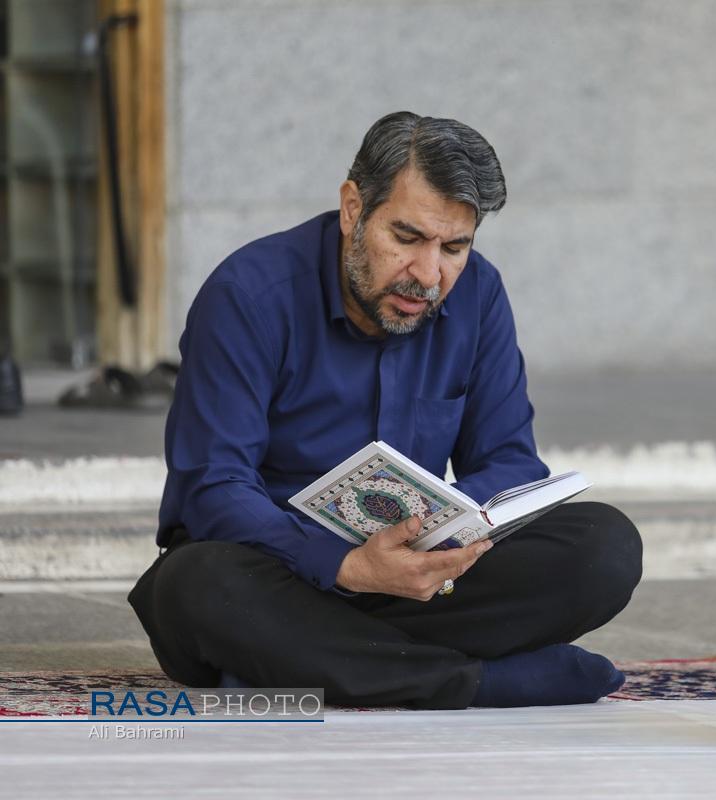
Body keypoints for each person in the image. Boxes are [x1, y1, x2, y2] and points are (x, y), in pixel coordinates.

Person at [128, 112, 643, 710]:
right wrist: (346, 564)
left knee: (603, 547)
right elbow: (213, 487)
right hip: (277, 573)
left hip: (419, 579)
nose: (428, 275)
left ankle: (310, 662)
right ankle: (480, 681)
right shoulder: (248, 295)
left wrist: (442, 535)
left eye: (454, 247)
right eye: (407, 238)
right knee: (196, 587)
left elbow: (511, 462)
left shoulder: (479, 293)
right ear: (353, 209)